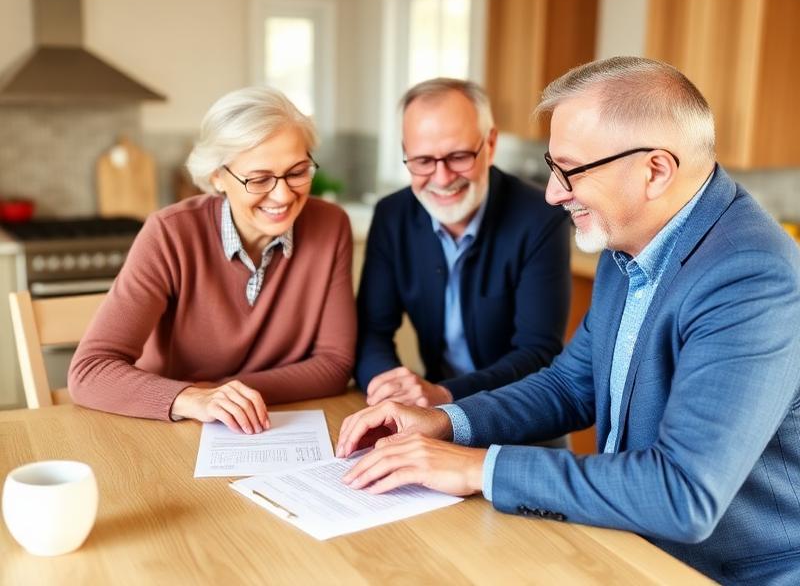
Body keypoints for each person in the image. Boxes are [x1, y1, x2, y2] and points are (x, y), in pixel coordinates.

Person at [336, 57, 800, 584]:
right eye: (552, 167)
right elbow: (569, 384)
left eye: (571, 171)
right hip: (627, 542)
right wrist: (444, 422)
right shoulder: (629, 236)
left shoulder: (749, 275)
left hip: (720, 572)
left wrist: (473, 466)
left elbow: (682, 493)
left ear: (655, 171)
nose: (554, 193)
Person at [69, 86, 356, 434]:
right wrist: (193, 399)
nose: (283, 195)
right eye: (259, 178)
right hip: (172, 430)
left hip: (272, 427)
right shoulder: (170, 234)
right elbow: (90, 371)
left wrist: (227, 394)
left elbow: (335, 365)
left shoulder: (331, 225)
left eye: (297, 172)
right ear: (217, 176)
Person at [356, 78, 571, 407]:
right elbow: (372, 331)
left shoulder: (541, 218)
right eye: (423, 161)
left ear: (491, 144)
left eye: (458, 157)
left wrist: (445, 395)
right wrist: (389, 389)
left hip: (520, 412)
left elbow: (537, 353)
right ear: (405, 154)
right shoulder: (392, 216)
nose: (442, 179)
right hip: (435, 411)